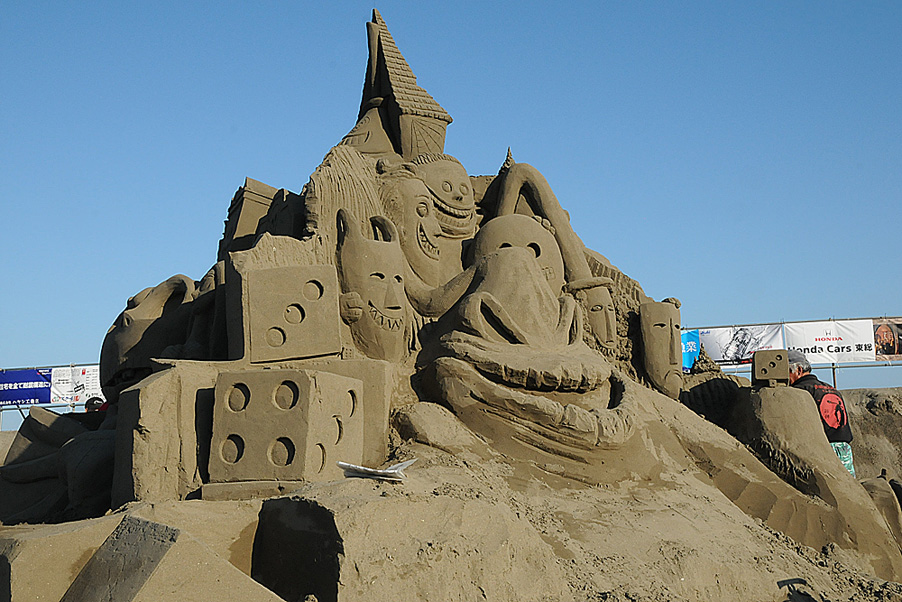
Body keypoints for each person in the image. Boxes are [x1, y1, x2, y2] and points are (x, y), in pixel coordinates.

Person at [787, 349, 855, 477]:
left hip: (822, 451)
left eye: (787, 372)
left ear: (799, 370)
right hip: (844, 450)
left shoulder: (799, 391)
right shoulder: (831, 389)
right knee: (848, 487)